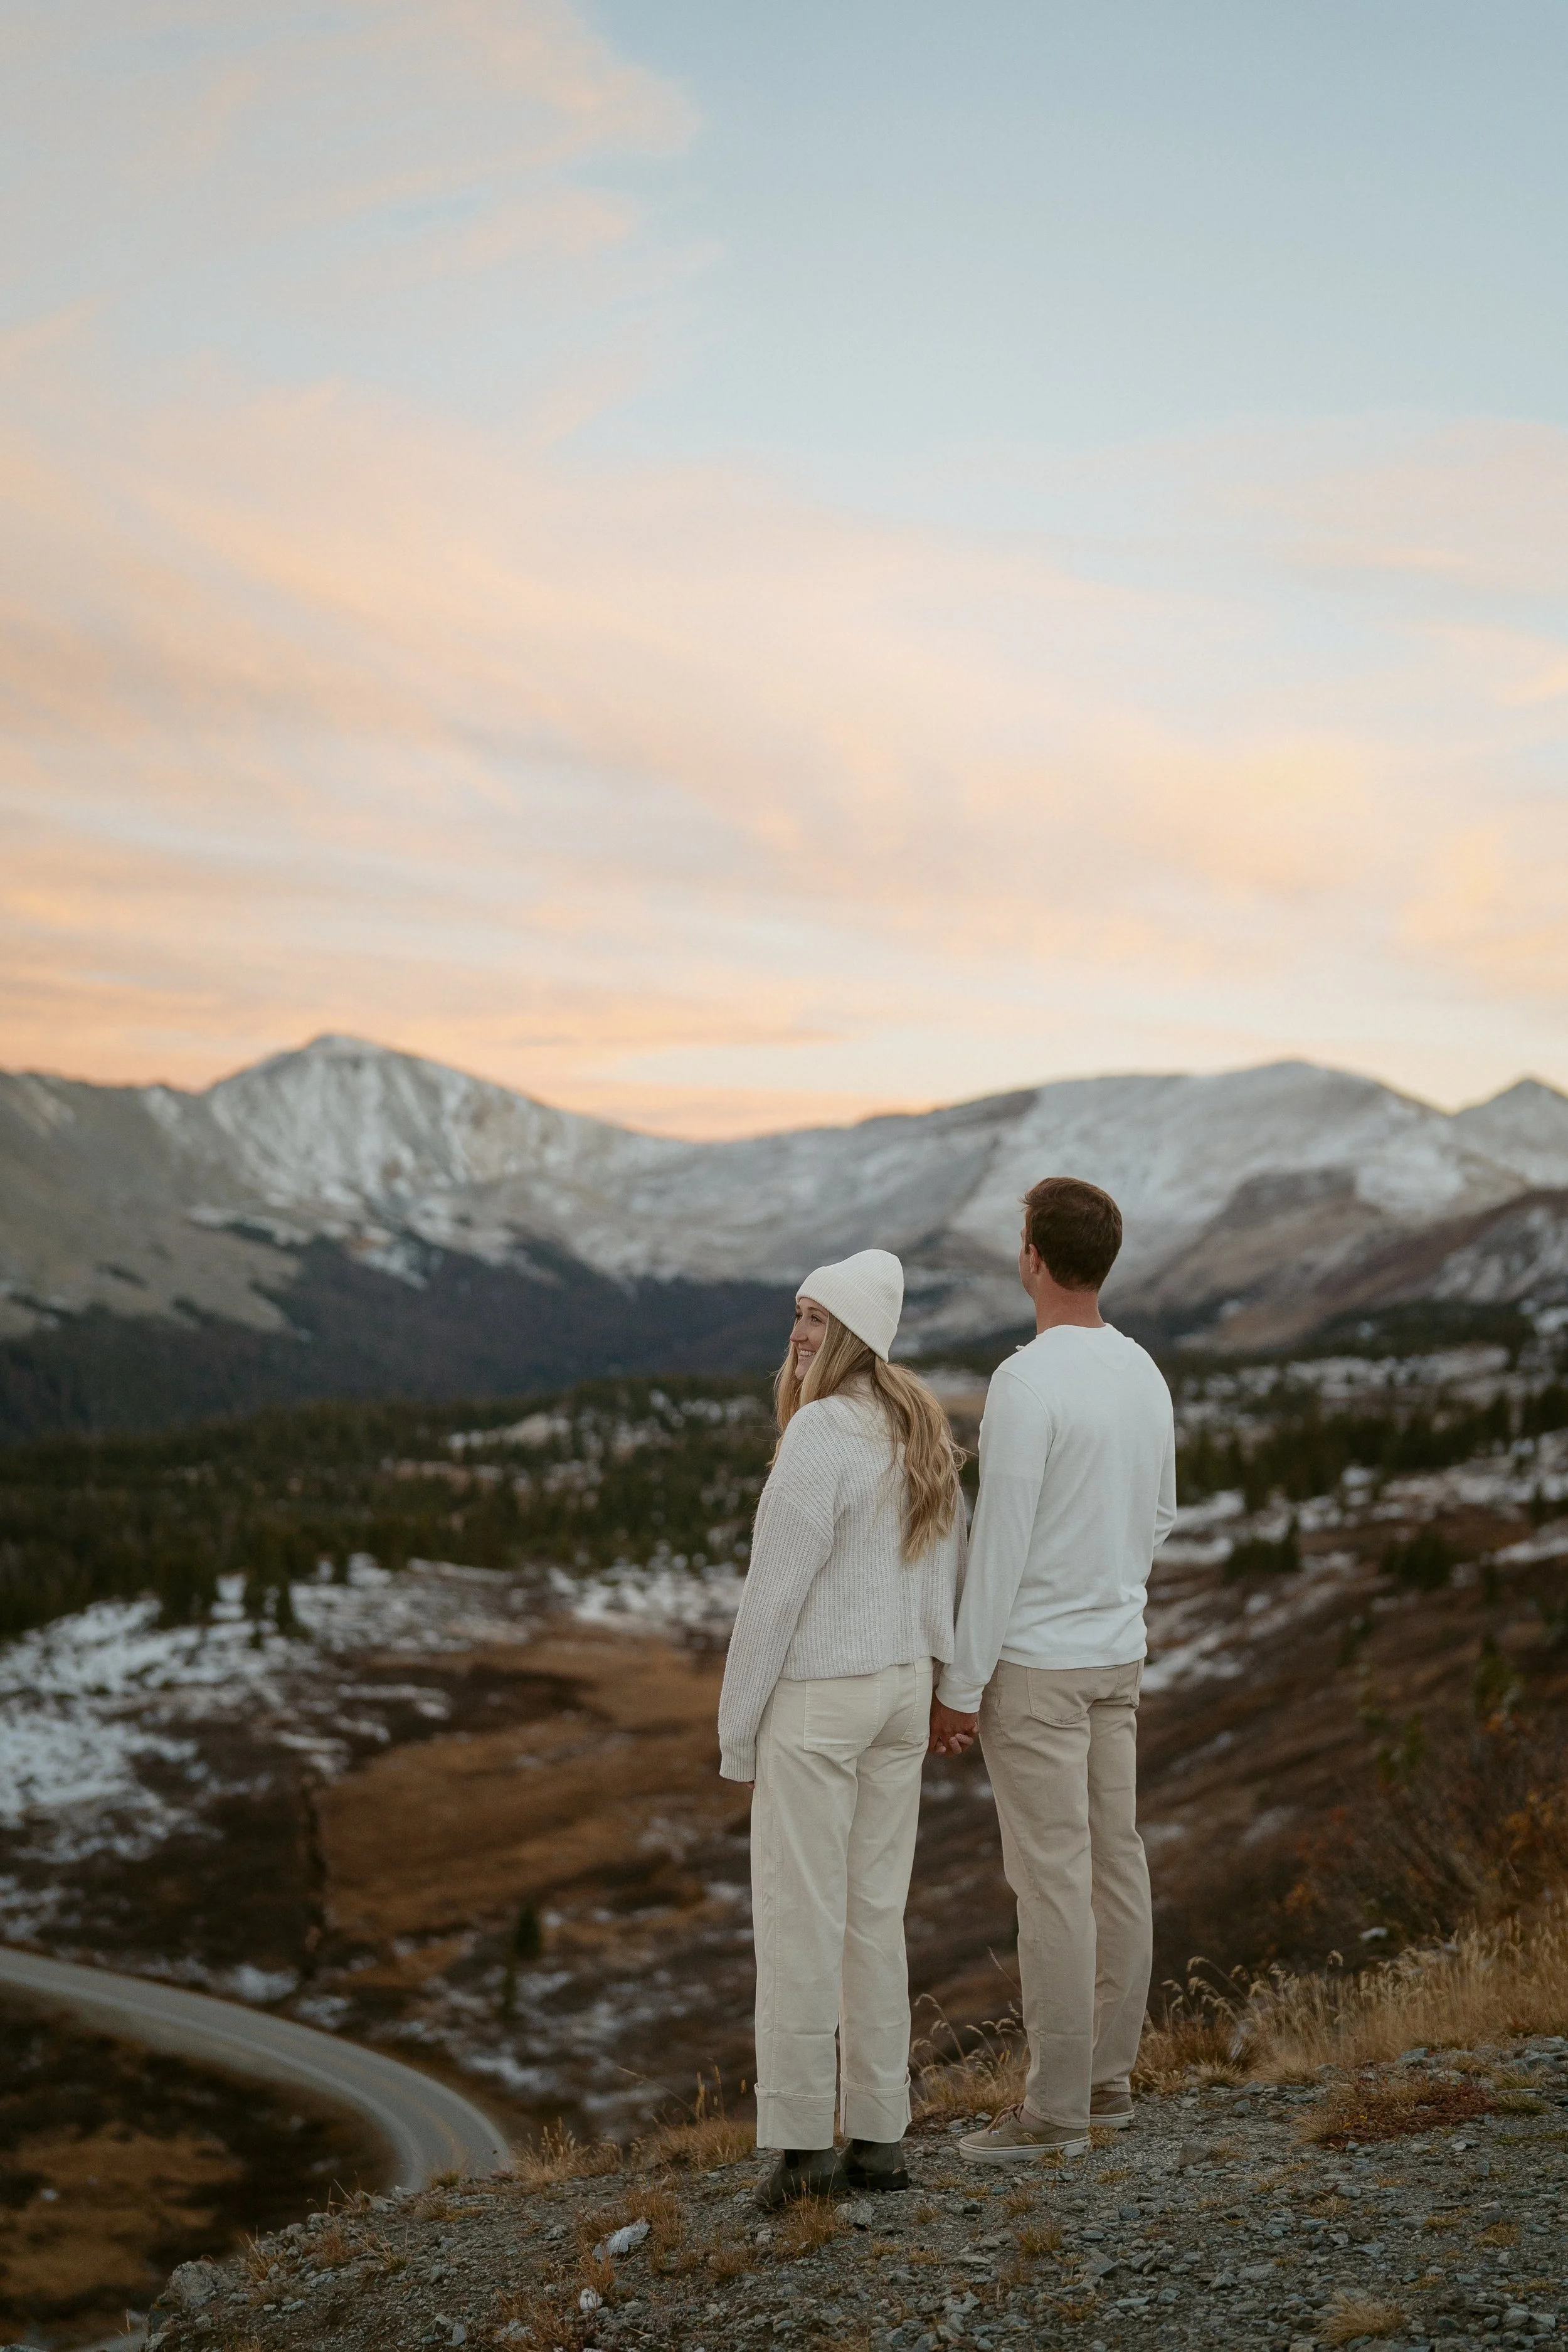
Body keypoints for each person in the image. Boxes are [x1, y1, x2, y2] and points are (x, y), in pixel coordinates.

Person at [930, 1177, 1175, 2164]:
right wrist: (1105, 1580)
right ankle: (1106, 2082)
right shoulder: (1143, 1369)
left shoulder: (1026, 1382)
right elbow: (1160, 1513)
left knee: (1052, 1885)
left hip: (1036, 1666)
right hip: (1117, 1652)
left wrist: (959, 1686)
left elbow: (1000, 1547)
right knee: (1117, 1864)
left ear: (1033, 1256)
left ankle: (1055, 2113)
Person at [718, 1248, 967, 2209]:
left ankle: (801, 2150)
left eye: (817, 1317)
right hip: (900, 1690)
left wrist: (738, 1731)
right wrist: (938, 1673)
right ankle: (879, 2138)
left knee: (799, 1916)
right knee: (873, 1916)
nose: (798, 1332)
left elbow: (772, 1596)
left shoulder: (821, 1431)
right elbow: (944, 1562)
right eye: (797, 1312)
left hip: (821, 1698)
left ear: (853, 1333)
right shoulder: (919, 1424)